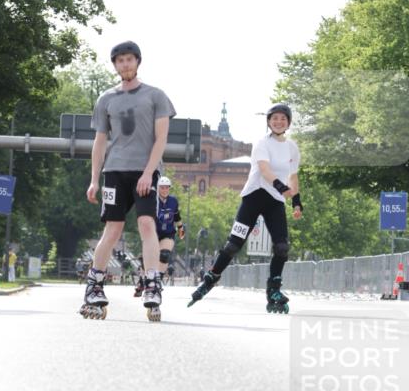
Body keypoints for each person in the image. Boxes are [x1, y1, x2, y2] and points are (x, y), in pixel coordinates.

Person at [81, 40, 176, 321]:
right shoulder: (106, 99)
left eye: (129, 60)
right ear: (115, 65)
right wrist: (94, 180)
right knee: (113, 228)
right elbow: (100, 141)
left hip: (144, 171)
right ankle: (94, 284)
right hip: (114, 171)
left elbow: (161, 139)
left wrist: (149, 173)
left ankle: (152, 282)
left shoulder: (156, 96)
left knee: (147, 224)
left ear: (137, 62)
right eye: (119, 61)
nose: (125, 64)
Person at [188, 103, 303, 313]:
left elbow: (293, 176)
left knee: (282, 247)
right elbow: (264, 170)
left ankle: (274, 290)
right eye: (275, 118)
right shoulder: (261, 143)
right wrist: (281, 186)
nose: (278, 122)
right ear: (269, 122)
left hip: (275, 201)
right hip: (254, 196)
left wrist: (296, 201)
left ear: (288, 123)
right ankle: (211, 278)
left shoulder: (292, 148)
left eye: (283, 119)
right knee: (234, 244)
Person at [133, 176, 185, 295]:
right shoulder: (152, 200)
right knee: (147, 258)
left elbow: (176, 216)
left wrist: (181, 228)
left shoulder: (173, 201)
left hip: (168, 233)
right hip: (153, 234)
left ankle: (157, 280)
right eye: (162, 187)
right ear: (158, 188)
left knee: (164, 255)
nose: (165, 190)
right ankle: (143, 280)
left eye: (167, 187)